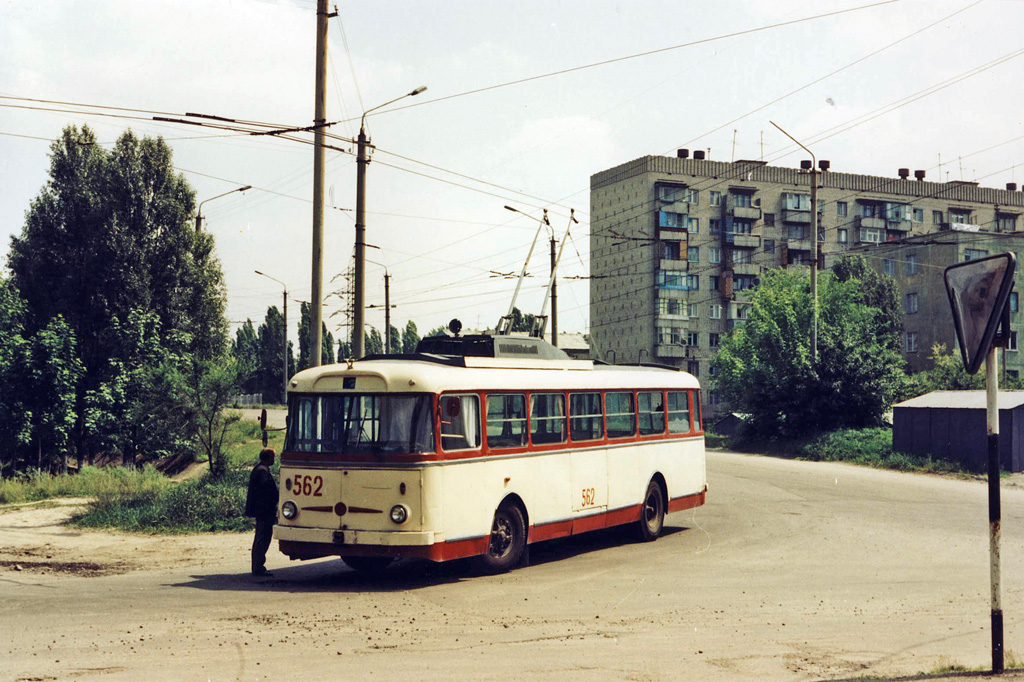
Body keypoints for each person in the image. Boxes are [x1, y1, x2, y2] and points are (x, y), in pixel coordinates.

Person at [245, 447, 279, 577]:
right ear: (269, 458)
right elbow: (266, 491)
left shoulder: (260, 469)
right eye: (273, 457)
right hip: (264, 511)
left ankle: (258, 566)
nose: (274, 460)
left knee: (262, 537)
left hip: (262, 510)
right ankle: (258, 567)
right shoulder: (262, 472)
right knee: (262, 538)